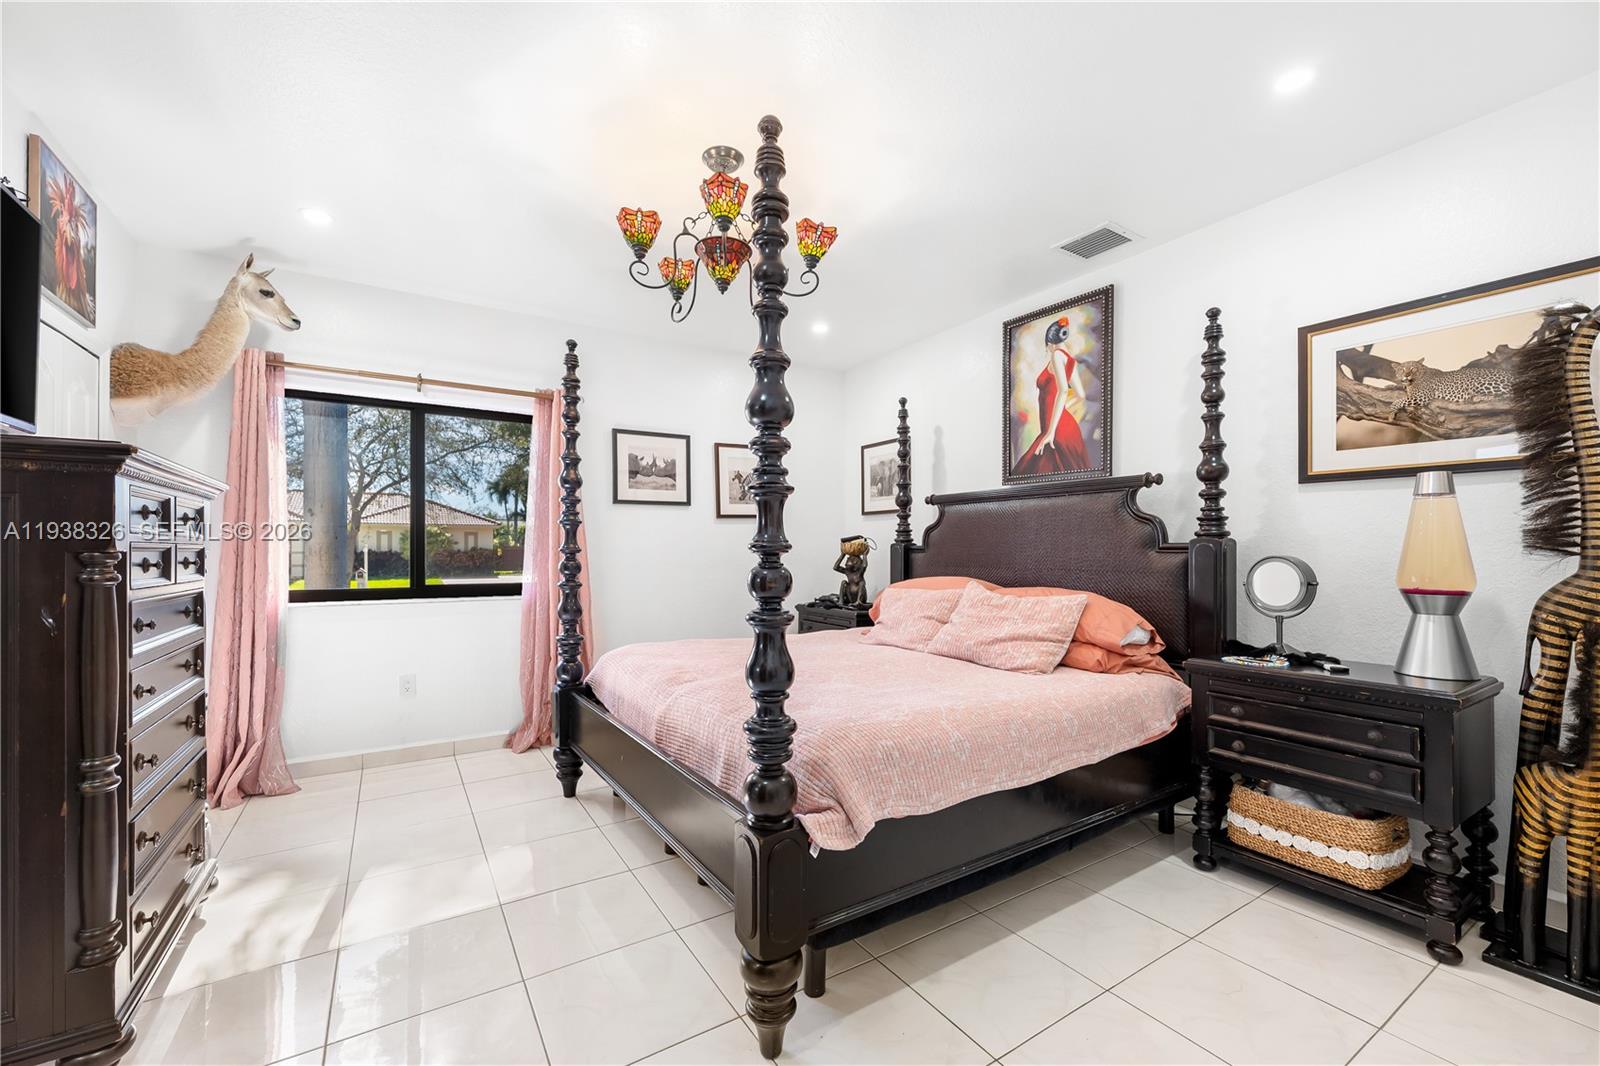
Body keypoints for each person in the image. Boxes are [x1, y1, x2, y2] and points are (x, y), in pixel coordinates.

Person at [1013, 315, 1090, 476]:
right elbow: (1081, 394)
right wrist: (1062, 409)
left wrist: (1051, 431)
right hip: (1061, 425)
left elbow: (1063, 390)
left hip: (1055, 428)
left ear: (1049, 343)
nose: (1047, 349)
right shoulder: (1070, 360)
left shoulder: (1056, 355)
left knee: (1031, 469)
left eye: (1047, 346)